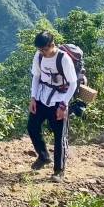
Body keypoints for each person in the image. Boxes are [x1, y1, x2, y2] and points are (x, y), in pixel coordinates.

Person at [27, 31, 78, 182]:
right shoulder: (39, 56)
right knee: (32, 126)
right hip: (42, 97)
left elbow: (73, 83)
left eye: (44, 49)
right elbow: (36, 76)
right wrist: (33, 98)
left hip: (59, 100)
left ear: (52, 45)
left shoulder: (64, 59)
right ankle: (43, 156)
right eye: (40, 49)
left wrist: (64, 105)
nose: (42, 52)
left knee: (59, 136)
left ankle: (59, 171)